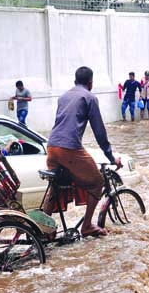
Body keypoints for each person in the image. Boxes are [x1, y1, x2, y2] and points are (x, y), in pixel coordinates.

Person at [47, 66, 122, 238]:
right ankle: (87, 225)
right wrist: (111, 157)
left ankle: (45, 232)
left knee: (55, 187)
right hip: (69, 148)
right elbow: (100, 132)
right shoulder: (89, 97)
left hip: (51, 147)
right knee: (97, 182)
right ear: (91, 83)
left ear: (75, 81)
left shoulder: (63, 97)